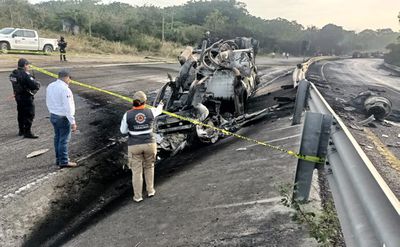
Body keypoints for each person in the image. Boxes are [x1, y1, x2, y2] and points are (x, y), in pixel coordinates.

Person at [120, 91, 164, 202]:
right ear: (145, 102)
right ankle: (150, 191)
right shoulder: (151, 111)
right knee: (149, 167)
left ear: (133, 102)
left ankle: (138, 196)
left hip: (134, 145)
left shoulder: (127, 114)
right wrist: (161, 104)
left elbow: (123, 131)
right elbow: (159, 110)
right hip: (150, 144)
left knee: (136, 171)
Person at [46, 69, 78, 168]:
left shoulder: (50, 86)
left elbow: (48, 101)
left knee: (57, 138)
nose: (70, 81)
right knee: (63, 140)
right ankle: (64, 161)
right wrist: (72, 121)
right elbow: (68, 107)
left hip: (53, 115)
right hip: (62, 118)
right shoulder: (65, 89)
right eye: (69, 79)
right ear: (66, 77)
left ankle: (58, 159)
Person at [9, 58, 41, 138]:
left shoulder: (13, 74)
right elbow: (34, 85)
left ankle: (21, 130)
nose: (29, 66)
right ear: (24, 65)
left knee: (21, 113)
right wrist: (36, 82)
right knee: (30, 114)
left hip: (18, 97)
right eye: (28, 65)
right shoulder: (26, 75)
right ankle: (27, 132)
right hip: (26, 97)